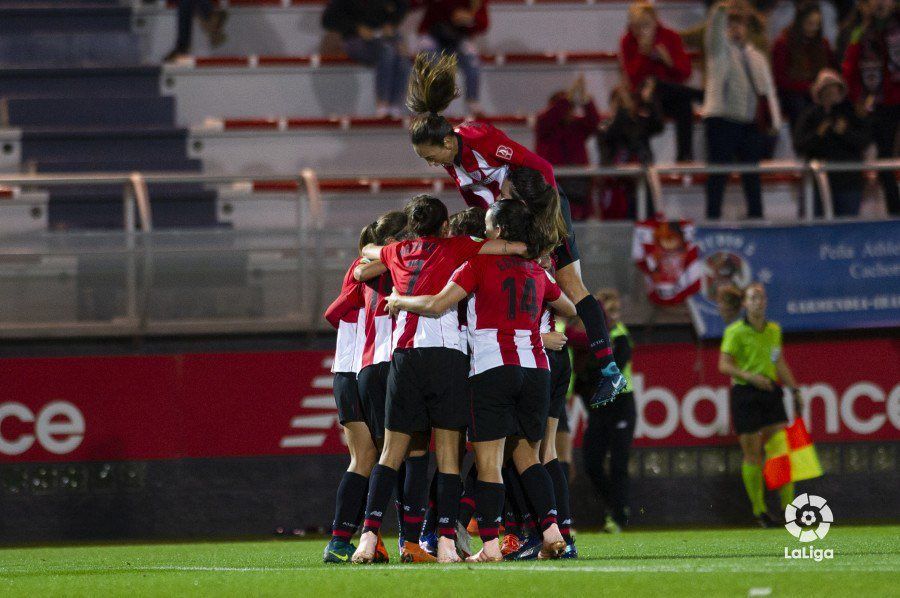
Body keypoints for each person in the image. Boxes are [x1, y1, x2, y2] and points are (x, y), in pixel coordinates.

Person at [405, 52, 627, 408]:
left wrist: (544, 222)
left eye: (430, 156)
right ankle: (531, 350)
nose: (431, 163)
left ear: (447, 142)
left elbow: (542, 169)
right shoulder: (452, 160)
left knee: (572, 286)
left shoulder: (478, 137)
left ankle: (609, 370)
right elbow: (480, 200)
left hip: (543, 208)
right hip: (512, 221)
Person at [386, 200, 578, 562]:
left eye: (488, 227)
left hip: (492, 368)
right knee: (528, 458)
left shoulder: (475, 263)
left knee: (489, 463)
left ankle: (489, 546)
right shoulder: (537, 272)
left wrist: (401, 299)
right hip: (536, 369)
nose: (482, 233)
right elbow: (569, 308)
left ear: (500, 231)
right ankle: (553, 532)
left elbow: (437, 305)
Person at [350, 194, 529, 564]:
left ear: (413, 225)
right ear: (444, 225)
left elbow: (368, 251)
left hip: (404, 357)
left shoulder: (396, 250)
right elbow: (509, 246)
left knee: (389, 454)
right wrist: (517, 245)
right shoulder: (459, 245)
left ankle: (368, 538)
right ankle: (446, 542)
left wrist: (375, 253)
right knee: (449, 457)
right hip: (446, 356)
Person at [322, 222, 392, 564]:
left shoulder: (360, 270)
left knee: (364, 458)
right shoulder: (371, 270)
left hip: (345, 372)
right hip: (363, 367)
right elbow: (335, 312)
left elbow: (334, 313)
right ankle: (367, 538)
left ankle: (341, 541)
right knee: (387, 456)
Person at [718, 283, 801, 527]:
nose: (758, 301)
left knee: (780, 453)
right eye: (753, 297)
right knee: (753, 454)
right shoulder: (735, 331)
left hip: (770, 393)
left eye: (761, 297)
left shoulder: (774, 330)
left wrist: (794, 388)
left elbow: (779, 362)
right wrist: (750, 376)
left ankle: (789, 510)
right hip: (745, 393)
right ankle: (760, 511)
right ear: (744, 303)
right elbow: (724, 365)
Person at [702, 1, 783, 220]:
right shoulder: (719, 51)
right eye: (731, 24)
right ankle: (712, 219)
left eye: (739, 25)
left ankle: (756, 218)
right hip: (722, 120)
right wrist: (720, 11)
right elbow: (713, 32)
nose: (735, 29)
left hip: (749, 123)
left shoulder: (756, 56)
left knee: (752, 176)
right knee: (718, 176)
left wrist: (775, 123)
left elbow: (767, 91)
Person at [575, 289, 636, 533]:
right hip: (599, 408)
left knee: (619, 463)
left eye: (617, 311)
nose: (614, 316)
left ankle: (618, 517)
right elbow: (582, 377)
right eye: (610, 311)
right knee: (591, 463)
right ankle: (617, 507)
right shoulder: (591, 339)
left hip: (621, 405)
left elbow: (613, 372)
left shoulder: (620, 336)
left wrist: (588, 374)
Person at [620, 1, 700, 162]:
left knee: (683, 105)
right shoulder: (628, 41)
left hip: (669, 97)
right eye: (636, 26)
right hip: (644, 98)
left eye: (644, 25)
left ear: (655, 22)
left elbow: (685, 73)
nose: (640, 31)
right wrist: (643, 55)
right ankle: (700, 95)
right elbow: (632, 79)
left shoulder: (670, 37)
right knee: (654, 85)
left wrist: (668, 61)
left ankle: (685, 156)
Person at [842, 0, 899, 216]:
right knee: (884, 159)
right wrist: (857, 98)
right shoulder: (860, 32)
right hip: (878, 104)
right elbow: (850, 68)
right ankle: (895, 212)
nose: (881, 3)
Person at [794, 69, 871, 217]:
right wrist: (818, 134)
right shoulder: (809, 115)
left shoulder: (851, 113)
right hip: (818, 183)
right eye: (827, 89)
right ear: (819, 92)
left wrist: (844, 132)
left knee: (848, 230)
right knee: (817, 229)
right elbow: (800, 144)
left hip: (848, 182)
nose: (831, 93)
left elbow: (863, 141)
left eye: (834, 89)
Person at [321, 0, 412, 118]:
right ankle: (382, 104)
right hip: (354, 38)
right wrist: (357, 28)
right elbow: (328, 19)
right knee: (386, 51)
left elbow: (402, 6)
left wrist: (391, 24)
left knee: (401, 55)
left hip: (382, 37)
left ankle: (395, 105)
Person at [535, 76, 601, 220]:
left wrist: (586, 101)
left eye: (570, 107)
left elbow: (595, 123)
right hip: (553, 190)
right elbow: (549, 118)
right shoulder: (545, 125)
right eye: (565, 107)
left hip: (578, 190)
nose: (568, 111)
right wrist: (568, 99)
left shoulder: (576, 126)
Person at [597, 82, 665, 219]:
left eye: (626, 100)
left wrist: (648, 101)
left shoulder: (638, 123)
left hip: (640, 184)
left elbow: (658, 125)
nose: (623, 104)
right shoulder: (604, 126)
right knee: (618, 233)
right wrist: (623, 113)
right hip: (617, 187)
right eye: (618, 100)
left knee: (647, 226)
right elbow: (612, 134)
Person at [413, 0, 489, 116]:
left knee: (473, 61)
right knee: (432, 60)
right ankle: (434, 103)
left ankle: (473, 102)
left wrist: (470, 19)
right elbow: (419, 4)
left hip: (458, 37)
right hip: (433, 34)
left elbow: (483, 24)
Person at [771, 1, 836, 128]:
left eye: (817, 24)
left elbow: (831, 69)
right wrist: (808, 87)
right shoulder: (783, 43)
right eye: (809, 23)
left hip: (818, 91)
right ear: (800, 21)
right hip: (793, 94)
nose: (813, 28)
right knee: (800, 104)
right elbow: (780, 79)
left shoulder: (822, 44)